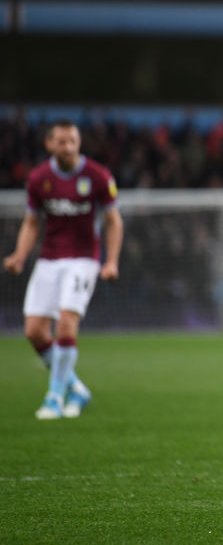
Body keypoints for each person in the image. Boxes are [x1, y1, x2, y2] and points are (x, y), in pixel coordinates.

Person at [3, 120, 122, 420]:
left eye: (73, 141)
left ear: (79, 142)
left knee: (66, 324)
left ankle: (54, 398)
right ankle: (76, 388)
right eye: (62, 142)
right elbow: (32, 223)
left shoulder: (97, 176)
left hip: (83, 259)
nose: (68, 147)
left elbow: (113, 221)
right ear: (49, 144)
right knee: (33, 331)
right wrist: (19, 255)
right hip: (49, 259)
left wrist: (111, 261)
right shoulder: (38, 178)